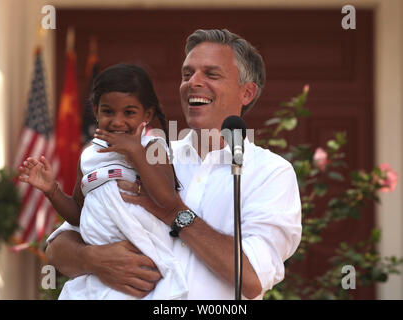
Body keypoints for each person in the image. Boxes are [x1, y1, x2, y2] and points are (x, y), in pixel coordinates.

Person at [45, 29, 302, 300]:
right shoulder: (145, 153)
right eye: (187, 74)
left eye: (211, 74)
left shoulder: (270, 173)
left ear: (247, 92)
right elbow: (58, 247)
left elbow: (250, 279)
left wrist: (174, 212)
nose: (193, 82)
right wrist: (94, 259)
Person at [19, 64, 188, 299]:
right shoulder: (89, 154)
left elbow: (167, 198)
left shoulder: (153, 148)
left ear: (147, 115)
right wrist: (52, 190)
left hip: (142, 264)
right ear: (96, 111)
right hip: (99, 272)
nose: (118, 121)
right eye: (108, 112)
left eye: (129, 113)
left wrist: (135, 153)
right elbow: (79, 215)